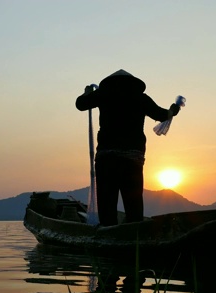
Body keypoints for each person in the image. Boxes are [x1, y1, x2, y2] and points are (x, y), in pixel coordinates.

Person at [75, 69, 181, 226]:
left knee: (107, 201)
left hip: (107, 157)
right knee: (133, 202)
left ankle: (107, 232)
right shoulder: (140, 98)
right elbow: (162, 115)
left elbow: (80, 104)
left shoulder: (104, 95)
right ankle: (134, 233)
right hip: (132, 159)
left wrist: (86, 93)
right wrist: (174, 109)